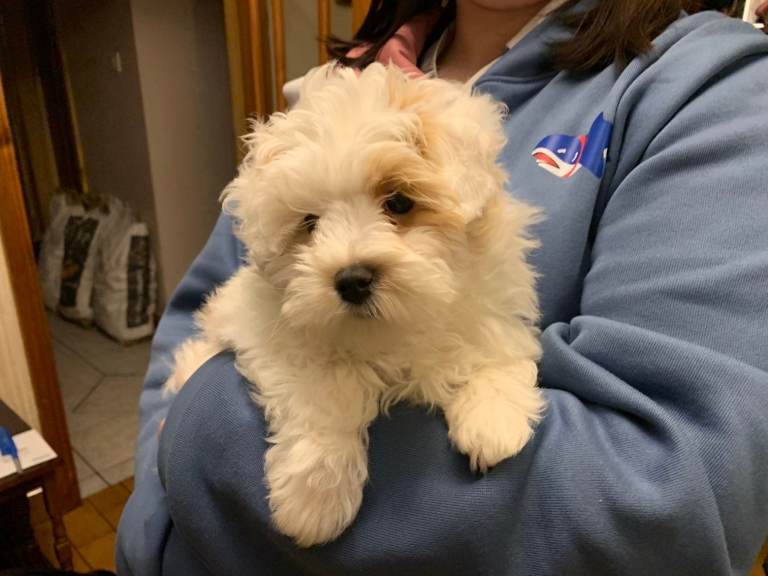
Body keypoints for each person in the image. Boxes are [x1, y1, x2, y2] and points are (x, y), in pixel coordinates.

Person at [116, 1, 768, 574]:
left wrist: (200, 436)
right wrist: (155, 531)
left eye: (398, 203)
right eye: (313, 224)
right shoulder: (331, 91)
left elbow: (678, 498)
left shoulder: (711, 87)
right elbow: (204, 318)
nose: (346, 255)